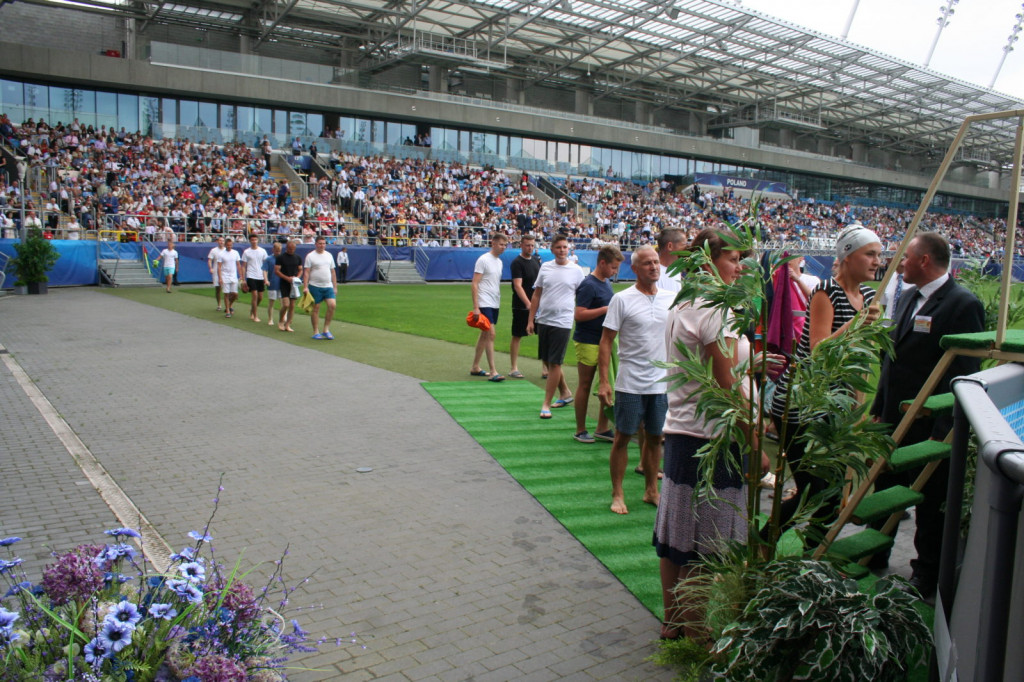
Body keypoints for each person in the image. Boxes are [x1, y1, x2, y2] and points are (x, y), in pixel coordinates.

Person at [654, 229, 765, 641]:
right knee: (708, 542)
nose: (740, 267)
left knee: (676, 536)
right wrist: (753, 440)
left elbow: (721, 370)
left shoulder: (685, 301)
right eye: (734, 258)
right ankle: (700, 635)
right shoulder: (716, 307)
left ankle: (675, 623)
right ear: (707, 260)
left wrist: (752, 366)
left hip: (685, 431)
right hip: (713, 437)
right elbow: (723, 384)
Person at [870, 233, 984, 599]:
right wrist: (877, 408)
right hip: (893, 417)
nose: (899, 263)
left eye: (906, 257)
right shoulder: (906, 298)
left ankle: (926, 572)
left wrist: (945, 426)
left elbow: (965, 369)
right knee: (885, 486)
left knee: (930, 500)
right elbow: (892, 359)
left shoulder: (963, 303)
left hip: (930, 427)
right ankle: (876, 549)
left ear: (924, 260)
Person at [769, 224, 882, 531]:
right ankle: (765, 542)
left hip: (834, 403)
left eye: (879, 255)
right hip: (799, 403)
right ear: (847, 256)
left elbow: (860, 359)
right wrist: (858, 323)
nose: (877, 261)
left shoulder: (870, 295)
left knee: (830, 490)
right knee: (810, 489)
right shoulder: (825, 291)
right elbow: (820, 350)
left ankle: (816, 556)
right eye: (870, 254)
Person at [597, 245, 675, 514]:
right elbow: (606, 341)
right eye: (646, 263)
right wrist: (604, 381)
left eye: (655, 262)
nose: (653, 266)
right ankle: (617, 493)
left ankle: (651, 490)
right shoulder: (622, 299)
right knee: (622, 437)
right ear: (635, 268)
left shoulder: (670, 298)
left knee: (655, 438)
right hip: (630, 382)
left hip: (662, 382)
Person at [528, 234, 584, 418]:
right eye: (558, 247)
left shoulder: (576, 271)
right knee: (547, 360)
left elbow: (583, 296)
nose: (562, 250)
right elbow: (536, 295)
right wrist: (531, 320)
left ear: (569, 249)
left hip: (563, 321)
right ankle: (565, 392)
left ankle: (546, 403)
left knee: (555, 362)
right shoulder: (545, 267)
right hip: (544, 319)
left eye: (565, 247)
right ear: (552, 249)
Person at [572, 245, 623, 443]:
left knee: (607, 382)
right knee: (585, 385)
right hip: (588, 340)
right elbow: (579, 314)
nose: (615, 271)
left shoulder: (605, 282)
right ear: (602, 263)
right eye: (613, 267)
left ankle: (602, 427)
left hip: (604, 340)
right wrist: (604, 309)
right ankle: (580, 429)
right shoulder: (589, 284)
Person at [469, 232, 508, 381]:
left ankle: (475, 367)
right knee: (491, 333)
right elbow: (475, 283)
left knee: (485, 334)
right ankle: (493, 371)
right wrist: (476, 306)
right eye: (501, 244)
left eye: (505, 245)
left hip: (494, 302)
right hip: (484, 301)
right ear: (493, 243)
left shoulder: (499, 262)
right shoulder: (483, 260)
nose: (503, 247)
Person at [509, 234, 541, 379]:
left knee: (543, 335)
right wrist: (528, 304)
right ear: (521, 245)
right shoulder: (517, 263)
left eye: (532, 245)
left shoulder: (536, 261)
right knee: (517, 335)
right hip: (521, 306)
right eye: (527, 245)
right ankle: (513, 367)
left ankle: (546, 367)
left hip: (537, 305)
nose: (530, 248)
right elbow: (517, 285)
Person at [302, 236, 337, 340]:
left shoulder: (329, 255)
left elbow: (333, 271)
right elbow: (306, 272)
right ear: (316, 244)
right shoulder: (310, 256)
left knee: (332, 305)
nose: (322, 245)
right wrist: (305, 286)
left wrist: (335, 286)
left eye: (323, 243)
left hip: (328, 285)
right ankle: (316, 331)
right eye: (320, 243)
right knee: (316, 309)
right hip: (315, 286)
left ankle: (326, 329)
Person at [275, 239, 303, 332]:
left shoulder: (298, 258)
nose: (291, 250)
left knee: (292, 305)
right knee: (286, 304)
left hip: (293, 283)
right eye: (290, 249)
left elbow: (300, 270)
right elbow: (277, 271)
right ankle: (281, 321)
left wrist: (297, 278)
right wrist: (286, 278)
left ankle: (288, 324)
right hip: (284, 282)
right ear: (287, 248)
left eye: (293, 249)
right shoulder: (281, 258)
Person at [241, 234, 269, 323]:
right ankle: (255, 315)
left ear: (258, 240)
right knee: (255, 295)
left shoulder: (262, 251)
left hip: (260, 276)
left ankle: (253, 309)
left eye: (255, 239)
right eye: (252, 240)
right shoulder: (246, 252)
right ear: (250, 241)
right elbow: (243, 266)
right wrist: (243, 279)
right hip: (251, 275)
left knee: (260, 297)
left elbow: (266, 265)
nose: (254, 241)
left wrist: (266, 277)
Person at [656, 228, 687, 294]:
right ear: (670, 246)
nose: (686, 249)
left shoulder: (677, 271)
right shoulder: (654, 275)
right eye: (684, 244)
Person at [217, 237, 241, 318]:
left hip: (233, 276)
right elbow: (219, 267)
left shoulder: (236, 253)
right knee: (226, 293)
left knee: (235, 294)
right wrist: (220, 278)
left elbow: (238, 265)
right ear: (225, 245)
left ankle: (230, 305)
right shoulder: (221, 254)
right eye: (228, 245)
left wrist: (241, 276)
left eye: (230, 245)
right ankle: (227, 310)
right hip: (225, 276)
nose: (229, 246)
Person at [264, 241, 282, 325]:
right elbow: (265, 270)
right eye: (276, 251)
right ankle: (270, 319)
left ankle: (282, 317)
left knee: (282, 301)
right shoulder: (268, 259)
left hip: (281, 283)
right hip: (272, 282)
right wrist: (266, 280)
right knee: (272, 301)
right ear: (273, 250)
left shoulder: (282, 258)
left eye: (279, 251)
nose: (278, 252)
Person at [207, 236, 226, 311]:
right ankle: (219, 304)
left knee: (226, 289)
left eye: (222, 241)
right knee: (218, 289)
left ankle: (227, 306)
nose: (221, 242)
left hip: (225, 271)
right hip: (216, 271)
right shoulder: (213, 250)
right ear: (217, 242)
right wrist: (211, 268)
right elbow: (209, 260)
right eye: (220, 241)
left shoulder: (226, 250)